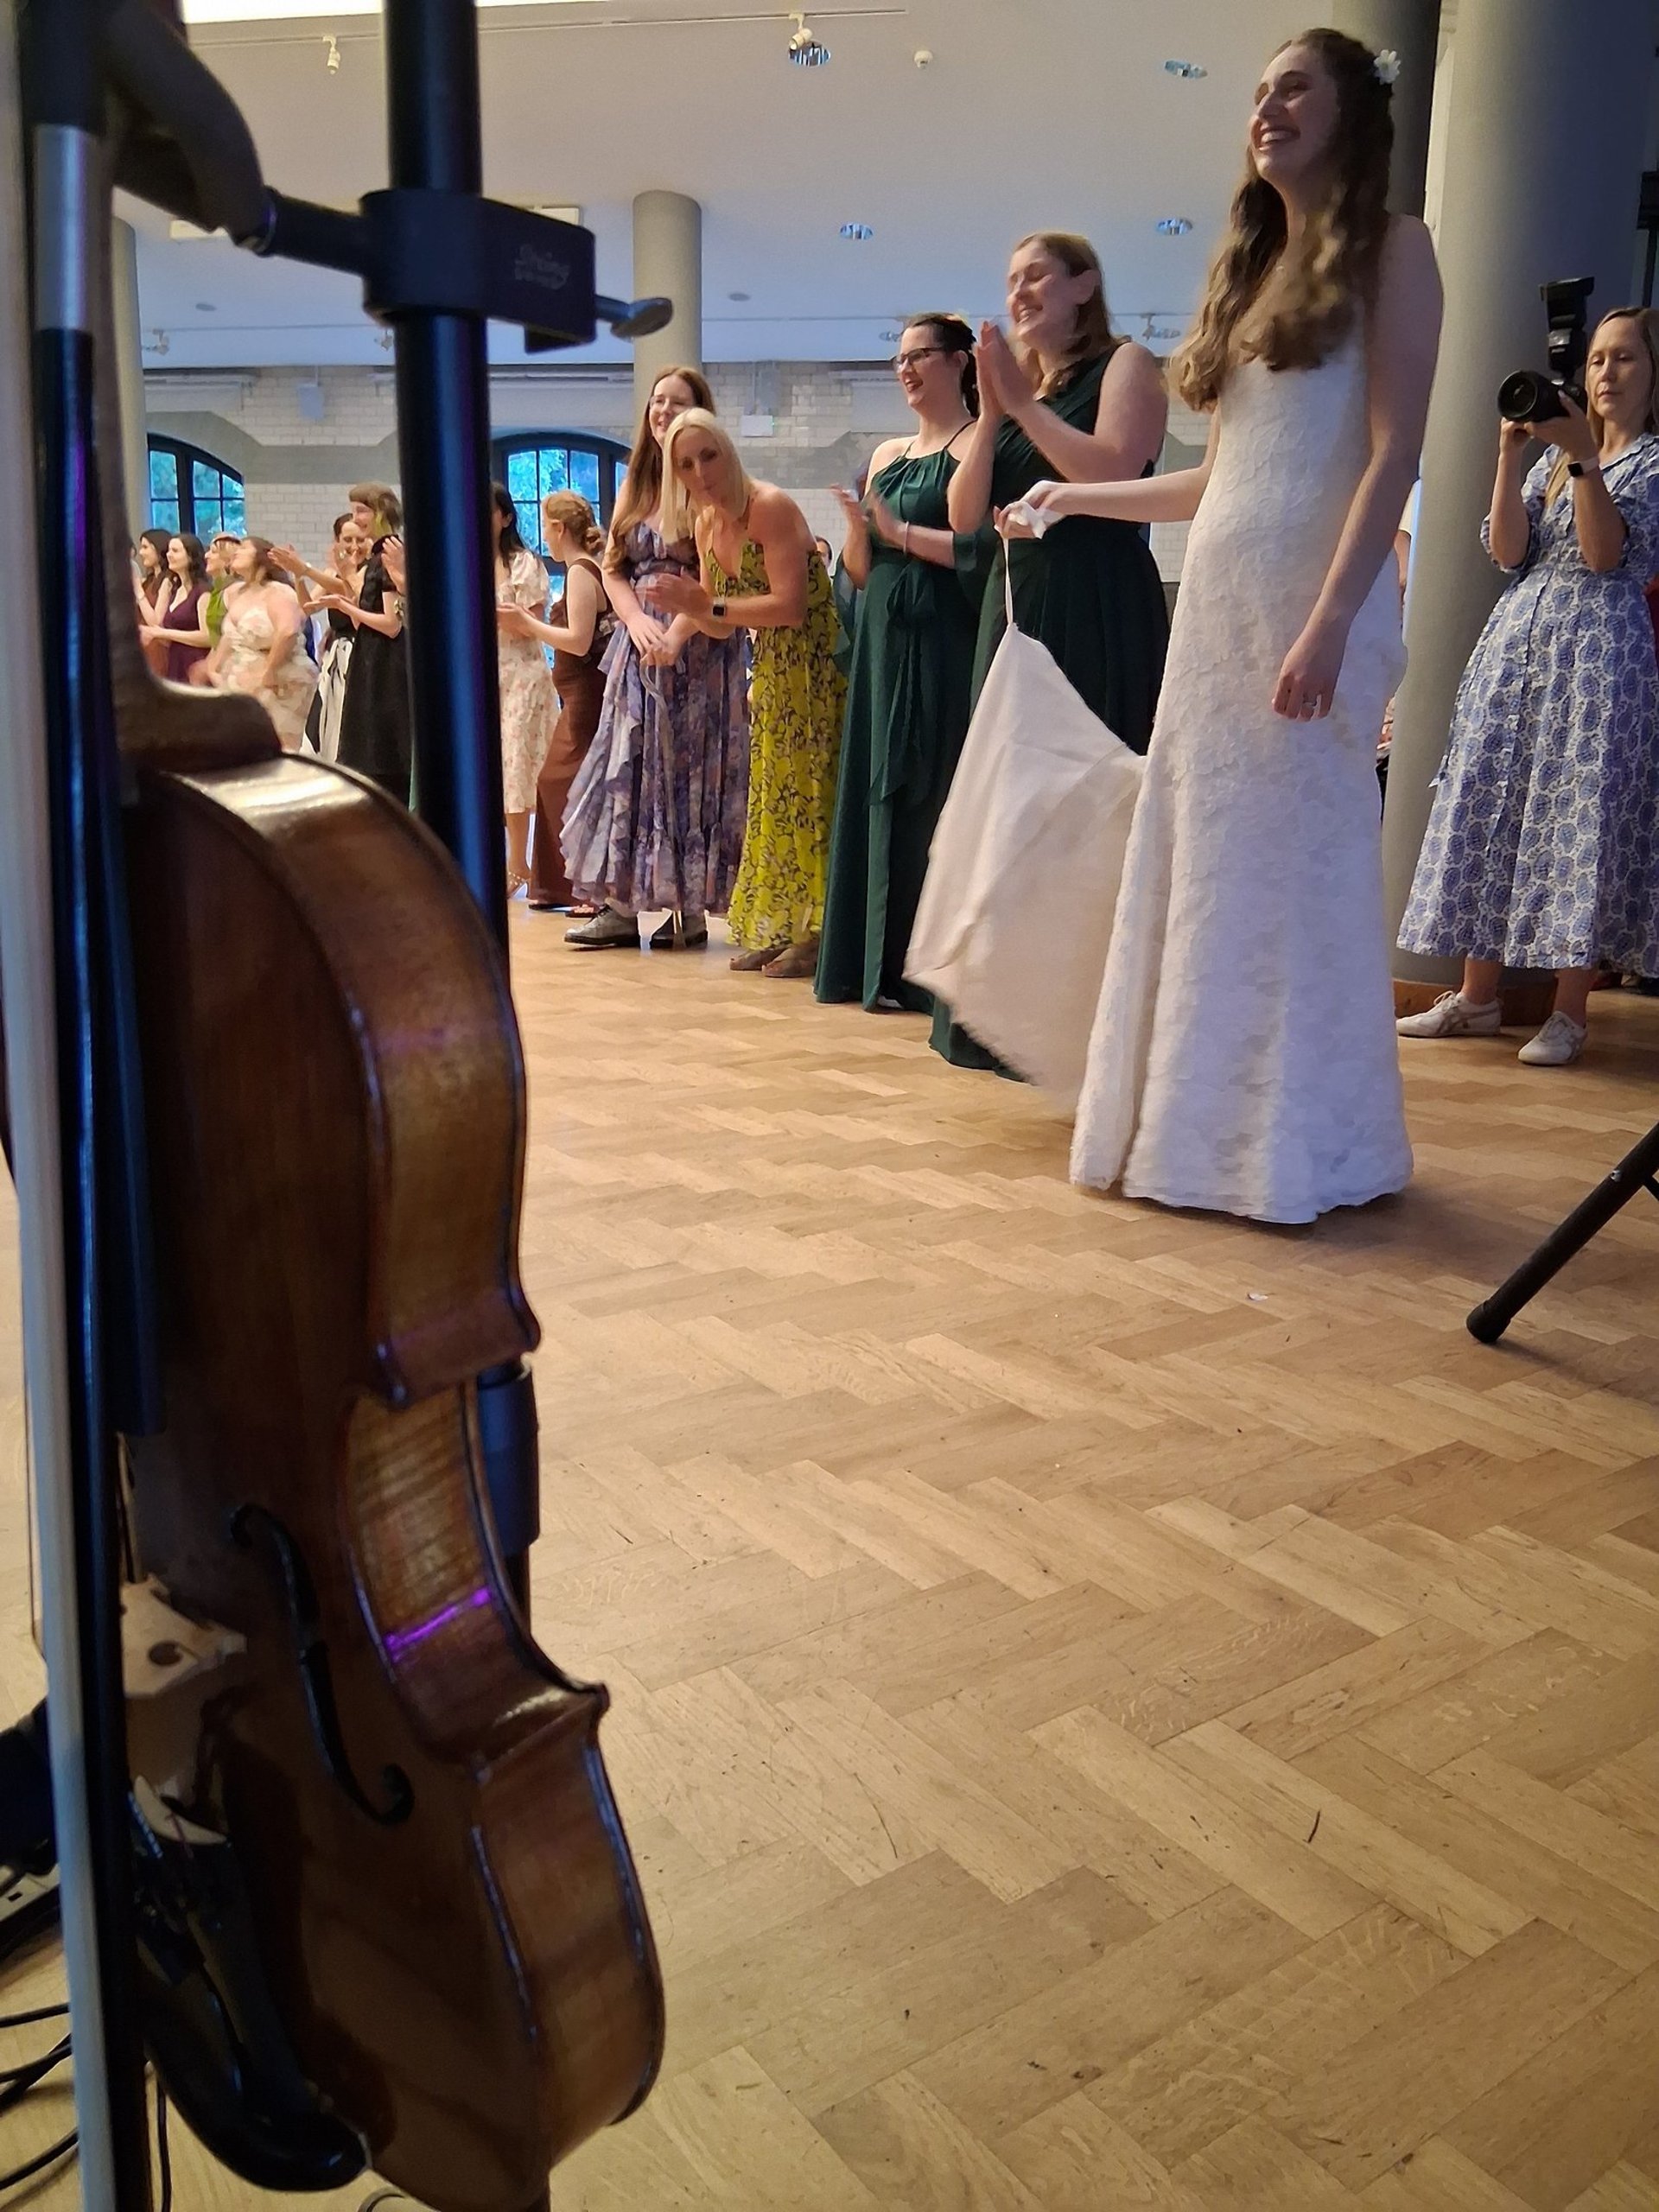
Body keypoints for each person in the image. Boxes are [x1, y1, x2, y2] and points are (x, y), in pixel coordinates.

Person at [1007, 29, 1440, 1223]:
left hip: (1311, 613)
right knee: (1205, 866)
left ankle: (1302, 1146)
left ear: (1353, 110)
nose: (1266, 107)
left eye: (1293, 87)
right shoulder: (1255, 276)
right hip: (1217, 622)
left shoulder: (1397, 253)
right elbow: (1223, 482)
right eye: (1258, 92)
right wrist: (1075, 493)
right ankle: (1195, 1136)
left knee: (1294, 871)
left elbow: (1393, 453)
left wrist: (1332, 622)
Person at [1397, 308, 1659, 1066]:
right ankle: (1477, 999)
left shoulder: (1650, 463)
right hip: (1515, 648)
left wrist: (1584, 460)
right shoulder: (1548, 461)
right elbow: (1508, 551)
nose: (1607, 373)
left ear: (1654, 375)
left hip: (1598, 658)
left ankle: (1569, 1009)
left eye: (1627, 360)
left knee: (1578, 816)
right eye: (1599, 359)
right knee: (1491, 801)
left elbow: (1608, 556)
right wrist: (1512, 459)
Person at [937, 231, 1170, 1067]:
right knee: (1014, 810)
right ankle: (1011, 1022)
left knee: (1087, 808)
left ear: (1084, 284)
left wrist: (1025, 409)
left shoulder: (1128, 364)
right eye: (1010, 280)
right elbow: (965, 516)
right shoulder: (1020, 392)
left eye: (1036, 274)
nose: (1020, 290)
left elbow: (1115, 471)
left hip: (1097, 605)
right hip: (1019, 613)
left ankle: (1091, 1024)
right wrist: (998, 406)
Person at [816, 314, 982, 1013]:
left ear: (959, 362)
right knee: (874, 785)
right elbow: (858, 571)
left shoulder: (980, 443)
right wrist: (859, 532)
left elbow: (981, 552)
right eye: (900, 359)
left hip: (941, 634)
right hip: (884, 643)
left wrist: (901, 534)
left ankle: (920, 970)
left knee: (933, 785)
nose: (907, 369)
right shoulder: (886, 453)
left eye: (921, 356)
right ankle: (866, 964)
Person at [644, 409, 847, 977]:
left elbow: (791, 605)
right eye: (686, 464)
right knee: (775, 797)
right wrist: (686, 616)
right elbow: (719, 622)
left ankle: (820, 929)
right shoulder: (708, 524)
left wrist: (703, 606)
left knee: (812, 793)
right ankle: (786, 923)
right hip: (774, 671)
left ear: (728, 451)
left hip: (815, 664)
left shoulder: (770, 507)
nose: (700, 471)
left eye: (708, 455)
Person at [562, 366, 749, 951]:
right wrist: (637, 620)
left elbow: (724, 576)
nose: (663, 411)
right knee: (631, 765)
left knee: (691, 770)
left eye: (677, 403)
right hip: (640, 642)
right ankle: (621, 905)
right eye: (657, 402)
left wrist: (680, 633)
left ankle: (687, 907)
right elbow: (615, 563)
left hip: (699, 644)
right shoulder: (636, 483)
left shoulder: (709, 483)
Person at [500, 491, 615, 912]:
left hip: (587, 695)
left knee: (564, 784)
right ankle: (562, 886)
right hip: (576, 693)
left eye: (546, 524)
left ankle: (584, 887)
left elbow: (579, 640)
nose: (543, 535)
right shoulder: (579, 570)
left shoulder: (582, 573)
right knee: (558, 782)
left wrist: (527, 624)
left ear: (558, 529)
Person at [489, 483, 556, 894]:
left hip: (522, 672)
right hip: (484, 673)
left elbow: (526, 621)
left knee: (517, 763)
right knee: (491, 765)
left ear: (506, 517)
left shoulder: (523, 563)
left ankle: (520, 862)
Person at [328, 482, 411, 805]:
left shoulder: (389, 553)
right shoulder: (377, 556)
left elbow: (392, 624)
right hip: (373, 658)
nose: (356, 518)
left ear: (380, 512)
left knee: (384, 747)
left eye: (361, 511)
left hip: (387, 662)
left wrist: (346, 606)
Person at [207, 535, 319, 750]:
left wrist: (268, 671)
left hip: (280, 688)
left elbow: (288, 631)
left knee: (281, 754)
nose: (237, 551)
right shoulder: (236, 593)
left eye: (244, 547)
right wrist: (213, 668)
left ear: (261, 556)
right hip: (244, 692)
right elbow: (232, 636)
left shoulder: (278, 592)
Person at [272, 514, 369, 760]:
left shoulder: (370, 570)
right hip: (336, 655)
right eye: (347, 539)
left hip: (362, 653)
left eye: (360, 539)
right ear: (336, 542)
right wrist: (297, 576)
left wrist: (305, 568)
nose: (354, 546)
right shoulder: (331, 572)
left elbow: (346, 589)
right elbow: (308, 606)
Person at [135, 531, 209, 684]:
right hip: (174, 660)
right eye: (168, 550)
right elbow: (167, 633)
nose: (169, 555)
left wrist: (161, 632)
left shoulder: (202, 590)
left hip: (194, 661)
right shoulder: (176, 590)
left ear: (190, 556)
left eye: (175, 551)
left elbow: (207, 636)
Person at [133, 526, 175, 677]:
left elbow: (156, 621)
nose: (141, 552)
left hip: (158, 649)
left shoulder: (168, 580)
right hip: (143, 646)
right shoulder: (150, 580)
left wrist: (138, 591)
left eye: (145, 547)